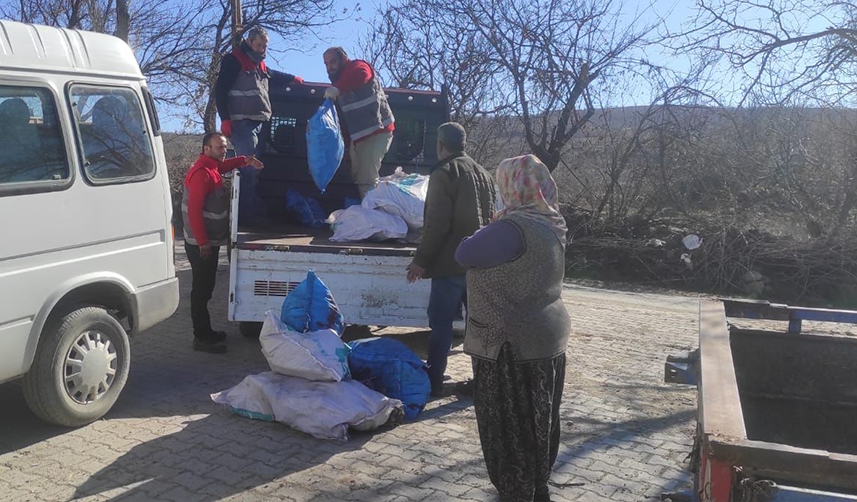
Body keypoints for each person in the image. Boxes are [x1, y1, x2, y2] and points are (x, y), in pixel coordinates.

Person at [455, 154, 571, 502]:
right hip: (546, 338)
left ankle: (517, 491)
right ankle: (536, 487)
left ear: (510, 187)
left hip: (507, 345)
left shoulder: (510, 228)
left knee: (508, 428)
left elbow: (465, 253)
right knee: (539, 422)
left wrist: (488, 224)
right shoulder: (551, 223)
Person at [406, 122, 495, 397]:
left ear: (440, 145)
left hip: (449, 264)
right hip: (479, 263)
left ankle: (433, 380)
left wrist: (421, 260)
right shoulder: (484, 173)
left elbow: (437, 224)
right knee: (480, 327)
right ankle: (485, 381)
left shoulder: (444, 172)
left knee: (442, 324)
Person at [182, 132, 264, 353]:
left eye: (225, 147)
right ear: (206, 148)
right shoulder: (202, 174)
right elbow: (194, 212)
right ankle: (201, 338)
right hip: (201, 244)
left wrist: (244, 160)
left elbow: (225, 166)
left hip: (208, 241)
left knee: (206, 288)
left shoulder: (212, 167)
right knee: (201, 291)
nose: (223, 151)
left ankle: (206, 332)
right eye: (219, 148)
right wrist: (203, 243)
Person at [215, 26, 303, 223]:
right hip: (242, 124)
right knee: (248, 170)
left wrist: (292, 78)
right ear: (249, 42)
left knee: (256, 169)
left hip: (259, 123)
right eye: (259, 44)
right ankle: (245, 217)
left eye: (265, 45)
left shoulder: (260, 66)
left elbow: (273, 75)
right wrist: (225, 118)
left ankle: (253, 211)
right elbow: (220, 90)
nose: (263, 48)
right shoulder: (234, 60)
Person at [322, 46, 395, 198]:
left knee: (366, 180)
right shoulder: (340, 82)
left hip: (377, 131)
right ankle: (369, 211)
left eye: (333, 62)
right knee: (360, 177)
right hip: (360, 138)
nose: (330, 67)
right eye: (326, 64)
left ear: (344, 58)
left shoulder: (357, 67)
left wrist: (338, 88)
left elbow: (362, 75)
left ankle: (372, 216)